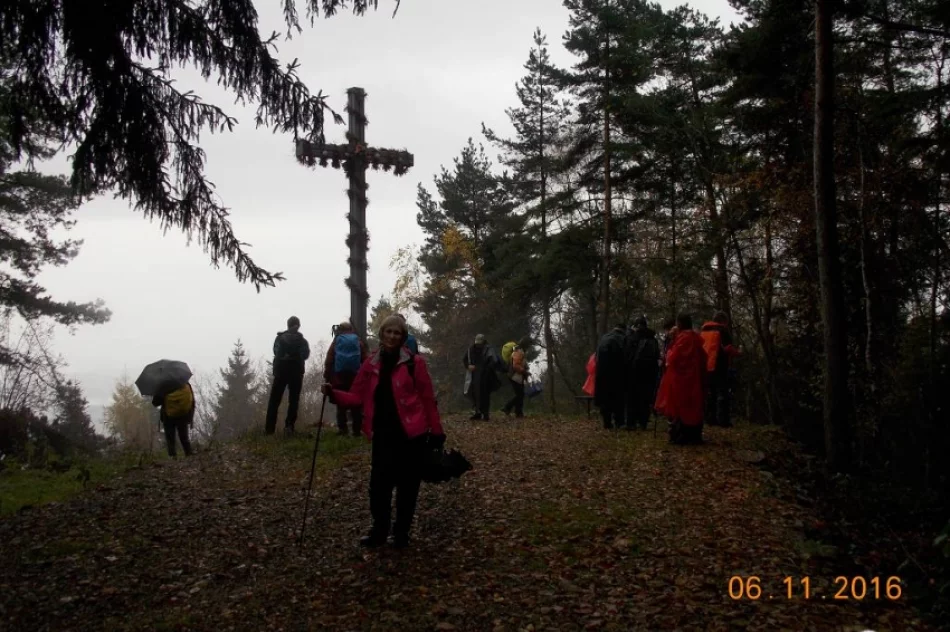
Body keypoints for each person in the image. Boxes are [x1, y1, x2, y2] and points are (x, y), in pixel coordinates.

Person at [322, 315, 445, 549]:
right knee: (379, 485)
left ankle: (401, 534)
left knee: (408, 486)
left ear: (403, 337)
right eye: (388, 332)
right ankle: (379, 530)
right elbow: (357, 396)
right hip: (383, 434)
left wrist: (437, 430)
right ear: (381, 334)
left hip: (412, 435)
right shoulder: (370, 364)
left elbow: (428, 399)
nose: (392, 336)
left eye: (397, 333)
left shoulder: (415, 363)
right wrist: (334, 394)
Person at [654, 313, 707, 444]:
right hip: (694, 378)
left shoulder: (683, 338)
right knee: (693, 406)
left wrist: (670, 346)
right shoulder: (695, 337)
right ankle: (694, 435)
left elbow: (672, 358)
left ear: (680, 324)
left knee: (680, 407)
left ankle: (681, 436)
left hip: (681, 380)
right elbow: (703, 357)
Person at [265, 316, 311, 436]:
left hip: (281, 372)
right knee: (294, 401)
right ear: (298, 325)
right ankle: (289, 428)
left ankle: (269, 430)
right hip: (296, 373)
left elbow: (276, 352)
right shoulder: (302, 341)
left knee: (274, 401)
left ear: (288, 325)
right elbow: (305, 355)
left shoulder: (280, 338)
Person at [324, 321, 368, 437]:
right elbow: (365, 359)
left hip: (339, 378)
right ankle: (357, 431)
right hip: (355, 378)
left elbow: (329, 359)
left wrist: (327, 375)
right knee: (356, 404)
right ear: (351, 329)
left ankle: (343, 430)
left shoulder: (337, 341)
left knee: (341, 404)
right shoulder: (358, 341)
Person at [700, 311, 740, 428]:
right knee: (722, 392)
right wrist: (738, 352)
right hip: (719, 365)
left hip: (706, 365)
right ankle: (723, 420)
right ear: (723, 321)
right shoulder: (722, 330)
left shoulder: (704, 331)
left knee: (710, 393)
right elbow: (727, 348)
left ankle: (710, 419)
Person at [625, 317, 660, 430]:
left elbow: (626, 356)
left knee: (632, 398)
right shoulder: (653, 340)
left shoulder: (631, 338)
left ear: (636, 326)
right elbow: (656, 357)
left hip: (633, 374)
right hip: (649, 375)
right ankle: (643, 422)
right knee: (645, 399)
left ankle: (631, 423)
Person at [595, 323, 627, 430]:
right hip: (617, 374)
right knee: (618, 398)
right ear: (623, 330)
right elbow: (625, 357)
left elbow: (596, 357)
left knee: (605, 398)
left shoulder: (604, 338)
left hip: (602, 374)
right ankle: (619, 422)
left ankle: (607, 423)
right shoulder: (622, 339)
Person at [463, 334, 502, 420]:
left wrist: (487, 369)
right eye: (477, 343)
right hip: (474, 376)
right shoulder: (470, 350)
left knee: (485, 395)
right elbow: (465, 359)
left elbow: (494, 361)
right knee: (475, 395)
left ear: (483, 342)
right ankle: (477, 413)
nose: (478, 345)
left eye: (480, 343)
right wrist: (468, 366)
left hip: (486, 376)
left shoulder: (489, 349)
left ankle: (485, 414)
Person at [152, 380, 195, 457]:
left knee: (170, 438)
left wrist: (160, 395)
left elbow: (155, 402)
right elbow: (192, 400)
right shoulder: (185, 383)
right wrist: (190, 417)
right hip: (183, 415)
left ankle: (173, 457)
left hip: (168, 416)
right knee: (184, 436)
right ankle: (189, 453)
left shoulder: (164, 385)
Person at [502, 337, 531, 418]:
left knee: (520, 394)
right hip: (515, 376)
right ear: (526, 345)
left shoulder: (520, 351)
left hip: (517, 376)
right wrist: (524, 371)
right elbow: (515, 365)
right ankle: (507, 407)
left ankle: (518, 412)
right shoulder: (519, 352)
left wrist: (525, 369)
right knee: (520, 395)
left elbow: (521, 363)